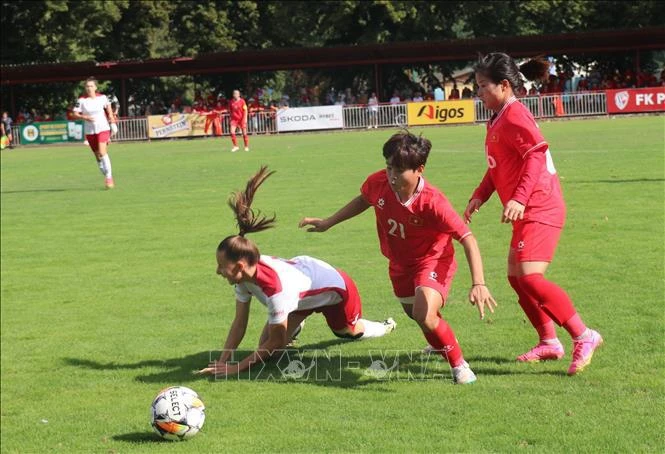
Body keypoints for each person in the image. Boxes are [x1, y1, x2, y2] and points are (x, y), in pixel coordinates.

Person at [299, 132, 497, 384]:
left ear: (419, 170)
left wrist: (478, 283)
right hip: (400, 263)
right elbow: (363, 199)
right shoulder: (379, 182)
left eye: (400, 170)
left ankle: (459, 366)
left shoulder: (433, 202)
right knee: (417, 314)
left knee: (425, 315)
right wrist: (329, 222)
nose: (392, 175)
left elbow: (468, 238)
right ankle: (440, 342)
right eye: (389, 167)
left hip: (433, 260)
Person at [467, 52, 603, 376]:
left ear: (503, 85)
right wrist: (480, 196)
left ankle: (584, 336)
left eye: (483, 87)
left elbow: (535, 156)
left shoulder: (515, 115)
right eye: (477, 87)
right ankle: (549, 342)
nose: (479, 93)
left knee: (529, 276)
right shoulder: (497, 117)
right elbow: (498, 167)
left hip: (541, 204)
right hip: (526, 207)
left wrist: (519, 199)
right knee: (517, 280)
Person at [198, 166, 397, 377]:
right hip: (301, 292)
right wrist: (222, 361)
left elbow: (274, 341)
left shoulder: (276, 290)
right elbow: (240, 322)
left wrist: (236, 368)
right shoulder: (244, 276)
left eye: (222, 266)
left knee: (348, 331)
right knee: (272, 352)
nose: (218, 271)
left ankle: (385, 326)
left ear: (239, 266)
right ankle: (297, 319)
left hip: (336, 291)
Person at [70, 77, 117, 189]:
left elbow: (109, 108)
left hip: (103, 128)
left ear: (95, 87)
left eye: (91, 86)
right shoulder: (81, 100)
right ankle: (105, 172)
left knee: (102, 151)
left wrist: (112, 120)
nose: (89, 88)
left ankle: (109, 178)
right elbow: (74, 113)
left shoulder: (103, 98)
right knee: (97, 156)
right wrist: (84, 116)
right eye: (87, 86)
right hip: (90, 131)